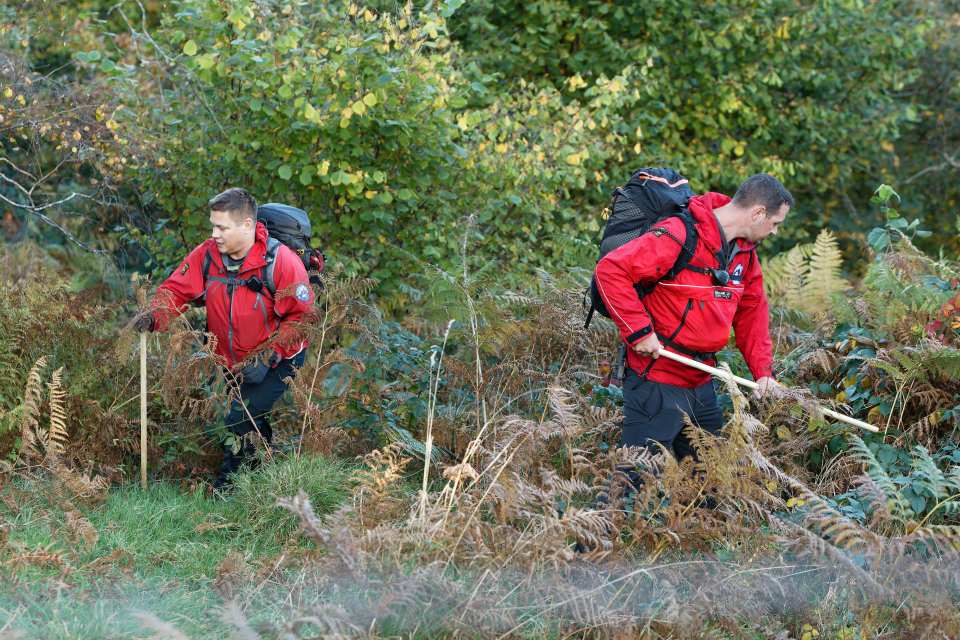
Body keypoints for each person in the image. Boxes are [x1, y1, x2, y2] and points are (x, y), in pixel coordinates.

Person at [593, 173, 792, 462]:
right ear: (758, 213)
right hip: (656, 378)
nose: (774, 232)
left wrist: (763, 373)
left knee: (707, 480)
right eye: (775, 224)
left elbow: (752, 314)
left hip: (702, 380)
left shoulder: (745, 254)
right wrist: (638, 331)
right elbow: (611, 271)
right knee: (634, 481)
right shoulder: (680, 233)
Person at [133, 188, 314, 489]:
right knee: (250, 418)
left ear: (246, 225)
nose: (214, 234)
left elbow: (302, 317)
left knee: (239, 418)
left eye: (222, 227)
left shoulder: (280, 261)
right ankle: (264, 479)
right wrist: (155, 316)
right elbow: (177, 290)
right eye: (213, 226)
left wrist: (268, 356)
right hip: (232, 359)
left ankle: (228, 488)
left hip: (280, 357)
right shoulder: (208, 255)